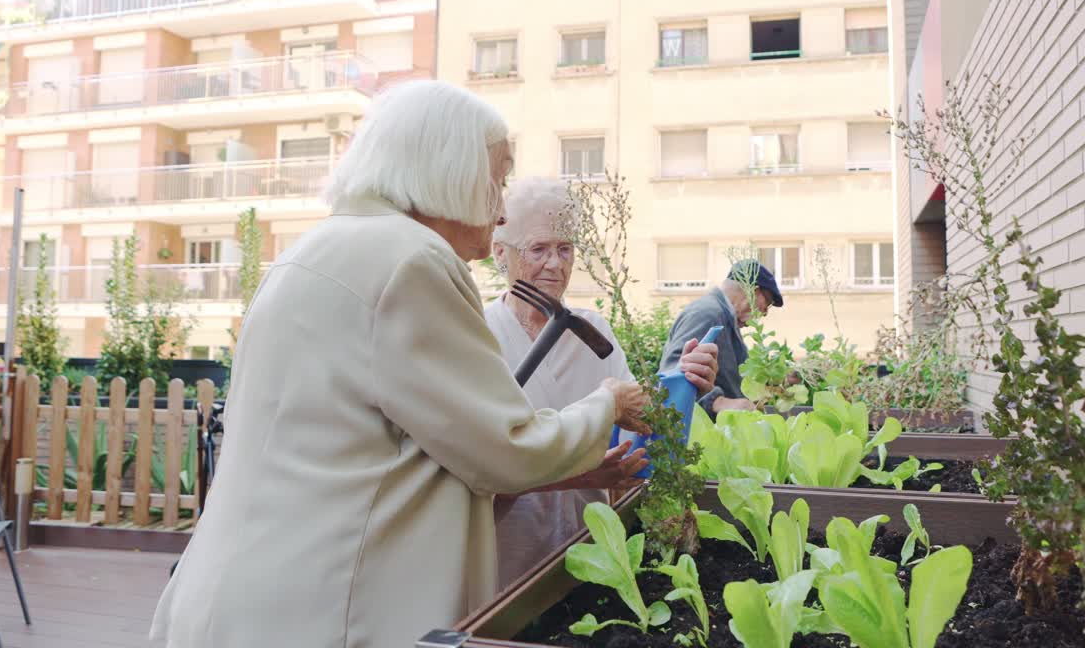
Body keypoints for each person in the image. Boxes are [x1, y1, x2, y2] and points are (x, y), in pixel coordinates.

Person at [149, 81, 652, 648]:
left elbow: (385, 446)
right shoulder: (413, 261)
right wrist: (608, 403)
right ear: (448, 170)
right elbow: (505, 447)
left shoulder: (313, 250)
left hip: (247, 596)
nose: (502, 206)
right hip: (331, 609)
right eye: (498, 177)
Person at [484, 178, 719, 590]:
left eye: (565, 248)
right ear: (500, 253)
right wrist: (580, 476)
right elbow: (481, 479)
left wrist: (685, 383)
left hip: (589, 554)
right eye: (538, 249)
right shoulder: (479, 337)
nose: (555, 264)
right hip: (508, 566)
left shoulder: (593, 331)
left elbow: (638, 429)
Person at [659, 259, 784, 416]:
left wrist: (777, 382)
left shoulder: (726, 318)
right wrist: (717, 402)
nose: (765, 312)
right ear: (754, 291)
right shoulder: (708, 313)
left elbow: (729, 378)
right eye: (768, 302)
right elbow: (672, 373)